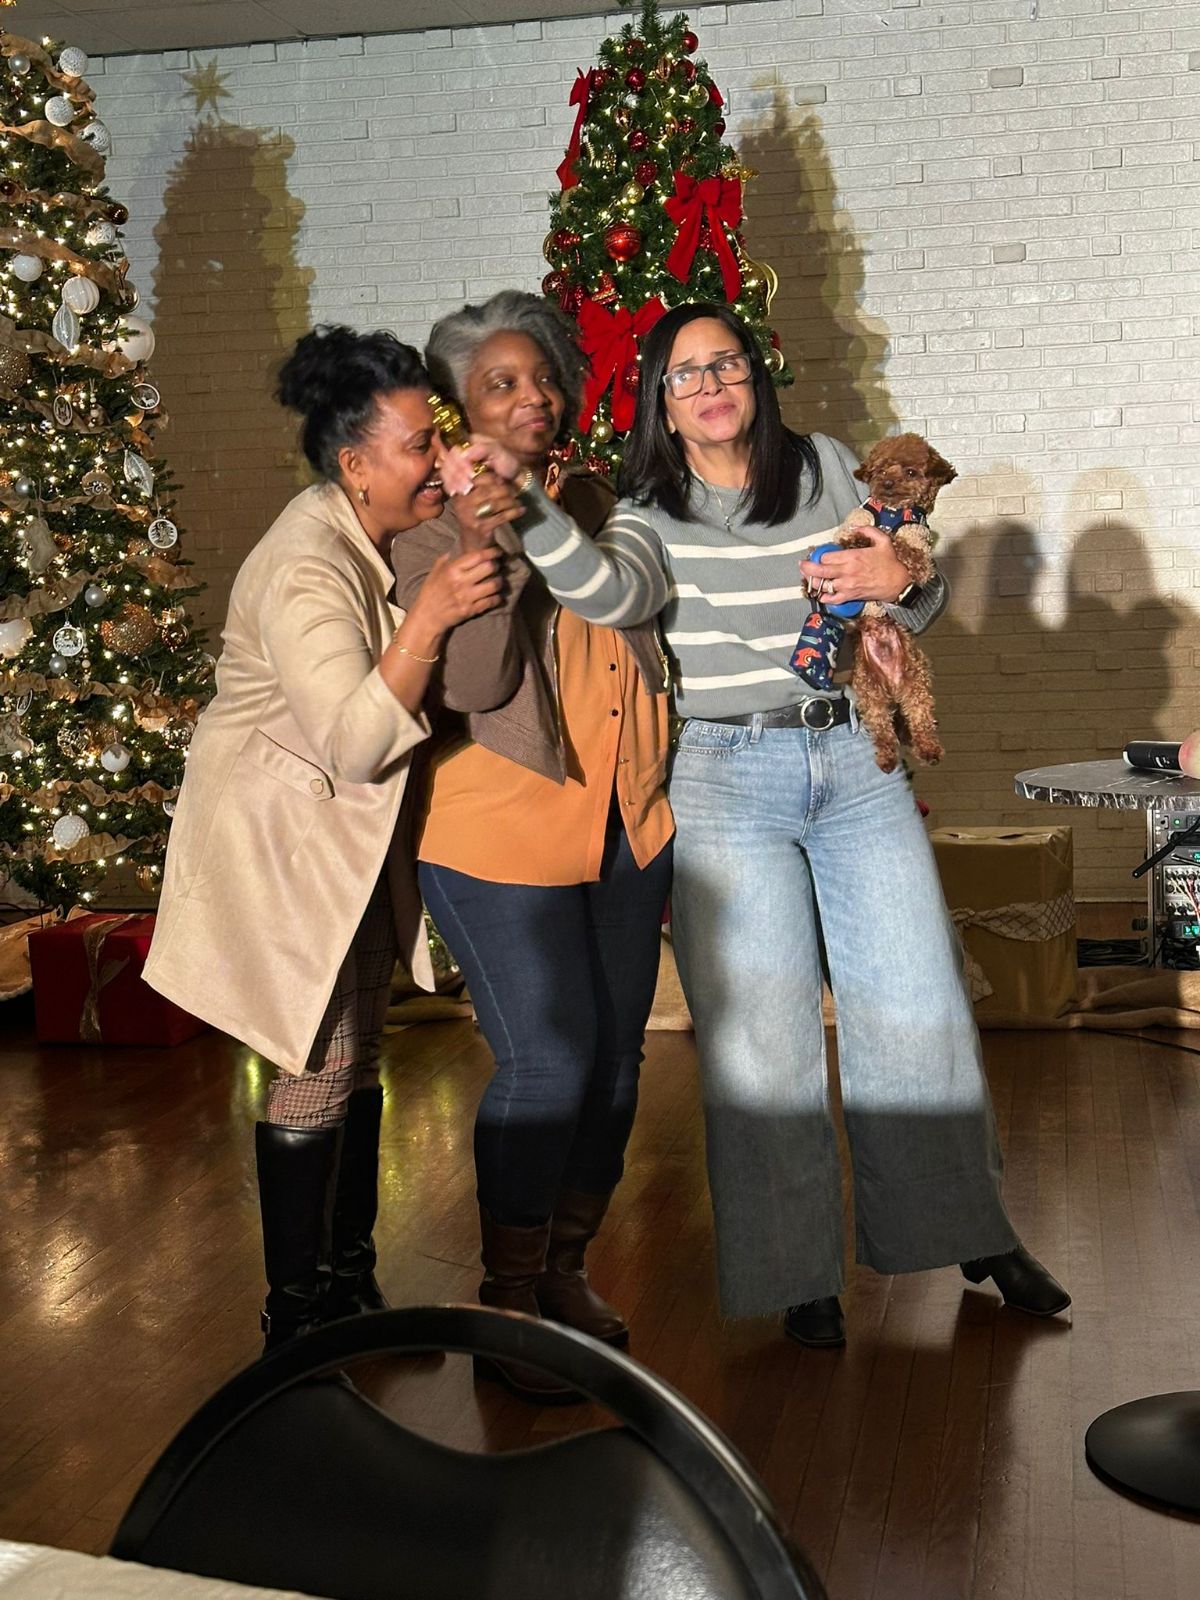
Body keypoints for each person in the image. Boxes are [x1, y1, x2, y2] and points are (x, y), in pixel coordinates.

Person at [441, 300, 1070, 1348]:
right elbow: (608, 593)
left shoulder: (824, 466)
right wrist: (530, 509)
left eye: (724, 363)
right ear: (661, 403)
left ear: (754, 377)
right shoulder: (648, 507)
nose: (709, 385)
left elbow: (911, 586)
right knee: (762, 1043)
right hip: (725, 778)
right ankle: (797, 1274)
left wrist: (903, 577)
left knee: (919, 1007)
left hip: (853, 762)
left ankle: (969, 1229)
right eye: (684, 374)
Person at [144, 326, 506, 1351]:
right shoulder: (306, 564)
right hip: (281, 845)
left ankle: (348, 1288)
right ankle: (296, 1325)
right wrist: (430, 617)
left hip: (341, 839)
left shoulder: (370, 533)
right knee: (313, 1063)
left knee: (360, 1053)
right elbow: (352, 742)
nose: (438, 459)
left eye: (439, 436)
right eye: (418, 445)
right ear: (354, 464)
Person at [390, 291, 673, 1399]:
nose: (533, 397)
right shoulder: (429, 525)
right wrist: (486, 537)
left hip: (625, 821)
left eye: (545, 376)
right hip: (495, 829)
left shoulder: (601, 502)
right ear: (457, 409)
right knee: (548, 1059)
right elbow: (474, 684)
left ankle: (564, 1270)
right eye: (500, 383)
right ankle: (507, 1294)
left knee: (616, 1059)